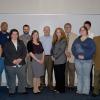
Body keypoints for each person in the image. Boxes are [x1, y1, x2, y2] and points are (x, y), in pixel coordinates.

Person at [72, 26, 96, 95]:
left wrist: (84, 56)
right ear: (79, 32)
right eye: (81, 30)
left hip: (87, 61)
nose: (82, 31)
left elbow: (93, 50)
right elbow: (73, 49)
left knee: (86, 76)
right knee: (79, 75)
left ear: (86, 31)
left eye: (84, 30)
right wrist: (77, 55)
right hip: (77, 60)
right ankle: (79, 90)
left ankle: (85, 91)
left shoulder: (90, 40)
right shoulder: (76, 40)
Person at [4, 29, 27, 95]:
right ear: (10, 35)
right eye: (13, 34)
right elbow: (6, 53)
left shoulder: (21, 42)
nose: (14, 35)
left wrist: (20, 59)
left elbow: (24, 51)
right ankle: (11, 91)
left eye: (16, 34)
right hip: (10, 64)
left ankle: (22, 90)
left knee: (22, 77)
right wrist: (12, 60)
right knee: (11, 78)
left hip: (21, 63)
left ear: (18, 35)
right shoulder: (7, 43)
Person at [51, 28, 67, 93]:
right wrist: (52, 55)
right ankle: (58, 87)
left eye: (59, 32)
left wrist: (55, 57)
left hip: (61, 60)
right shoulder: (55, 40)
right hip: (55, 60)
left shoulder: (63, 40)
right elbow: (52, 49)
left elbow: (61, 50)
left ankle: (61, 89)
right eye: (57, 32)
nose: (58, 33)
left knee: (61, 75)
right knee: (57, 75)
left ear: (62, 33)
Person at [64, 23, 77, 91]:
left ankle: (71, 86)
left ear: (71, 28)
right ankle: (65, 85)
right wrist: (65, 52)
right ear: (64, 28)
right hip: (63, 58)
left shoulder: (75, 36)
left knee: (72, 72)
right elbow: (61, 46)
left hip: (72, 57)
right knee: (65, 72)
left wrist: (70, 53)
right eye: (66, 27)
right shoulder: (62, 36)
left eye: (68, 27)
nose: (67, 28)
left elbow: (76, 47)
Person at [40, 26, 53, 90]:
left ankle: (50, 85)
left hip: (50, 57)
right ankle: (42, 84)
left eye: (48, 30)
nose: (47, 31)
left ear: (50, 30)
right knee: (42, 71)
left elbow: (54, 48)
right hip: (42, 57)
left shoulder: (53, 38)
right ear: (43, 30)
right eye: (45, 30)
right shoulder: (40, 38)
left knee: (50, 71)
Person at [84, 21, 95, 91]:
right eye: (85, 26)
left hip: (90, 56)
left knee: (89, 72)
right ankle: (85, 86)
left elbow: (93, 47)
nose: (86, 27)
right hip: (82, 57)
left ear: (90, 27)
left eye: (87, 26)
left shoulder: (92, 35)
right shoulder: (82, 34)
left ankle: (90, 87)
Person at [0, 22, 9, 86]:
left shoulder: (9, 35)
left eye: (6, 26)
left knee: (8, 72)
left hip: (8, 58)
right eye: (3, 26)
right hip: (1, 57)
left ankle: (9, 85)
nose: (4, 27)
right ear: (1, 26)